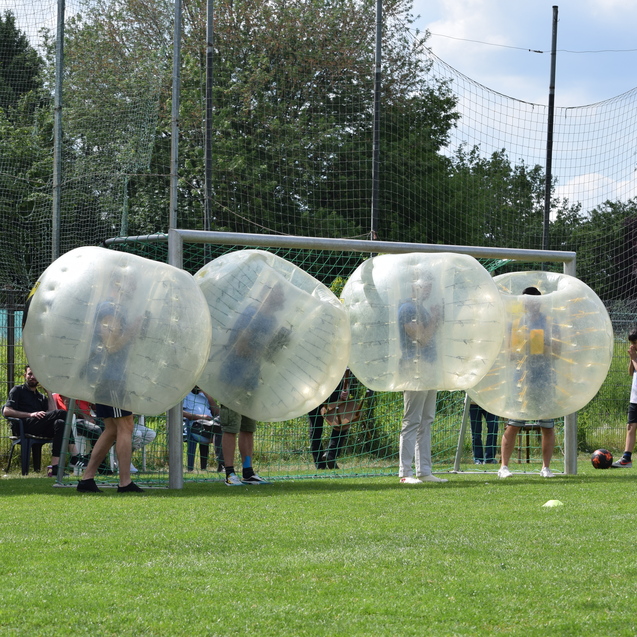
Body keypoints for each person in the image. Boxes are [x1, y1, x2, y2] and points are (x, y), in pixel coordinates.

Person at [77, 273, 145, 493]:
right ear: (118, 284)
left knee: (112, 429)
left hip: (109, 377)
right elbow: (111, 345)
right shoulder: (109, 309)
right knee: (126, 426)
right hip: (111, 378)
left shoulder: (113, 309)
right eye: (131, 284)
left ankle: (87, 479)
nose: (134, 289)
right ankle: (125, 482)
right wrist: (132, 330)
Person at [498, 286, 558, 479]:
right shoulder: (515, 323)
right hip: (520, 380)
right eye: (525, 302)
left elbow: (558, 351)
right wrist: (522, 348)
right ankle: (504, 467)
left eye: (531, 302)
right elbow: (508, 354)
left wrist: (540, 345)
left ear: (539, 303)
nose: (528, 305)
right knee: (513, 424)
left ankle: (546, 468)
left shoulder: (549, 322)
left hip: (544, 378)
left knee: (547, 425)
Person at [398, 274, 448, 485]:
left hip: (428, 368)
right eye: (425, 286)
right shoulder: (407, 309)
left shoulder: (422, 309)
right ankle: (405, 473)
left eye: (430, 286)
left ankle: (424, 471)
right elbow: (423, 338)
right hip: (414, 368)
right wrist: (435, 317)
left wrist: (437, 317)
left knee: (426, 419)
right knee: (412, 420)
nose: (428, 290)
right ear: (414, 286)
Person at [3, 366, 70, 476]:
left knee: (60, 423)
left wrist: (49, 393)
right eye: (30, 374)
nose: (32, 377)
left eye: (35, 375)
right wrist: (30, 414)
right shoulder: (18, 390)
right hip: (23, 426)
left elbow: (52, 412)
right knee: (62, 413)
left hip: (38, 427)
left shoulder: (41, 397)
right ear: (25, 375)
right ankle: (75, 454)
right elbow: (6, 411)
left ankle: (55, 467)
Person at [308, 369, 353, 470]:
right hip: (322, 389)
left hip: (314, 390)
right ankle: (330, 454)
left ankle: (321, 463)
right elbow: (345, 368)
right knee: (341, 423)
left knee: (316, 428)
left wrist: (345, 388)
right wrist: (345, 388)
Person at [221, 406, 269, 486]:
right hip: (230, 399)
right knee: (230, 428)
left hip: (248, 399)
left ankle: (248, 473)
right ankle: (229, 474)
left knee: (248, 428)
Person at [612, 328, 637, 468]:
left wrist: (634, 358)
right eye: (632, 343)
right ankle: (626, 459)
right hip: (635, 398)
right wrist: (632, 359)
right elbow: (631, 372)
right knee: (631, 426)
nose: (633, 345)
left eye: (635, 342)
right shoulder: (635, 356)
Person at [183, 387, 222, 472]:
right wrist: (200, 417)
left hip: (210, 425)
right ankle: (191, 468)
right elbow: (181, 412)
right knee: (219, 432)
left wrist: (208, 395)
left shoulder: (204, 395)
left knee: (223, 430)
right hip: (195, 426)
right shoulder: (185, 394)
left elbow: (217, 413)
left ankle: (222, 465)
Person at [469, 399, 499, 464]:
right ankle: (478, 459)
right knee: (476, 432)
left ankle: (490, 458)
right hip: (473, 402)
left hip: (491, 402)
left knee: (493, 427)